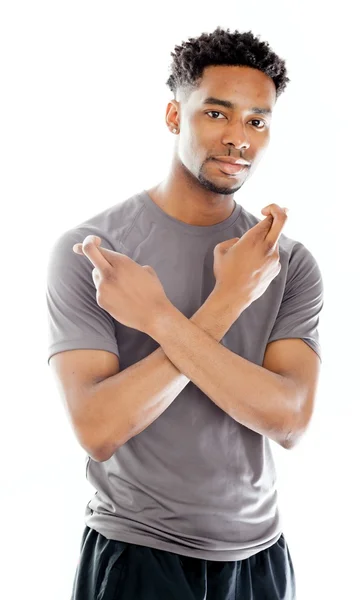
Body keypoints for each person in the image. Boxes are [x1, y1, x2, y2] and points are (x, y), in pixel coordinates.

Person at [46, 26, 323, 600]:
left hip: (261, 560)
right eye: (216, 114)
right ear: (174, 115)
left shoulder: (287, 262)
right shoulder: (96, 252)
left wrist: (164, 320)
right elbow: (97, 429)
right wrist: (227, 303)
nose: (238, 139)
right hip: (136, 554)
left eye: (257, 120)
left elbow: (291, 420)